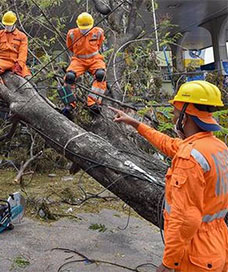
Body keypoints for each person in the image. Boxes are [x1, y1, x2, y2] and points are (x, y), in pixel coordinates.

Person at [109, 80, 228, 272]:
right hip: (219, 244)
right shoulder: (218, 148)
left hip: (196, 254)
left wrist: (168, 262)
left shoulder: (190, 158)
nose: (173, 119)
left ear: (185, 117)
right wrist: (136, 124)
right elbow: (168, 143)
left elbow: (185, 218)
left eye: (174, 113)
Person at [59, 12, 107, 117]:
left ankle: (93, 103)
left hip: (94, 59)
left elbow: (99, 44)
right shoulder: (72, 34)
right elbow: (70, 47)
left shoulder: (98, 32)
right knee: (69, 77)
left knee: (101, 75)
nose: (85, 30)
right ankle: (70, 104)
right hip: (78, 60)